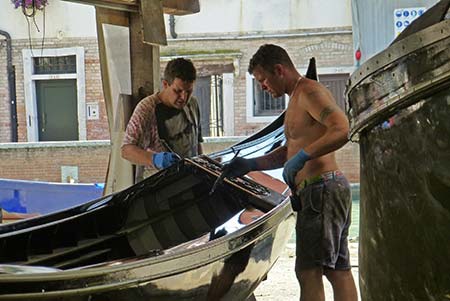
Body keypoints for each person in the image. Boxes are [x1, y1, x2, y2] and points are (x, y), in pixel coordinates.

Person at [222, 44, 357, 301]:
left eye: (263, 80)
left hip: (322, 189)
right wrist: (251, 164)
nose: (263, 87)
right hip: (326, 189)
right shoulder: (296, 99)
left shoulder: (309, 92)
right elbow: (288, 153)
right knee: (338, 270)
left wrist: (305, 156)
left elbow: (341, 128)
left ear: (279, 70)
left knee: (308, 271)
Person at [121, 58, 203, 182]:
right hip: (156, 188)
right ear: (165, 84)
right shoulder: (147, 109)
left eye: (189, 91)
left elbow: (197, 144)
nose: (183, 97)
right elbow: (126, 150)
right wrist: (155, 159)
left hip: (189, 182)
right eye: (178, 91)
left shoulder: (192, 104)